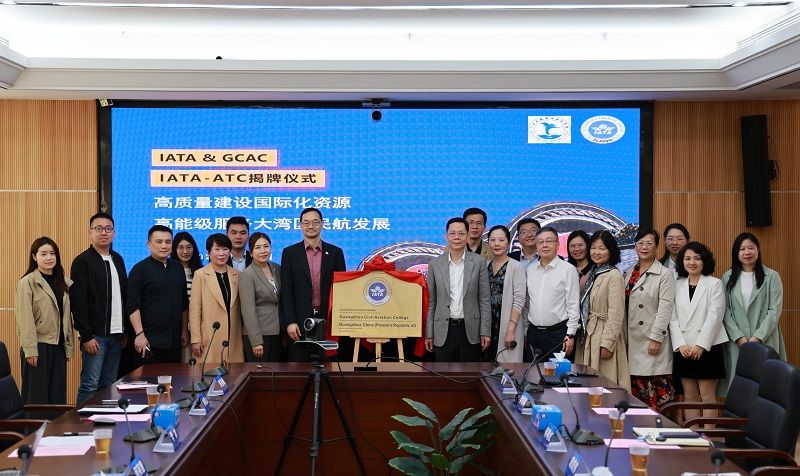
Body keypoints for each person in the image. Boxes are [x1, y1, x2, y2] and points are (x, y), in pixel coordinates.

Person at [71, 212, 128, 404]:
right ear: (90, 232)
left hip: (116, 335)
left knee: (109, 384)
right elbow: (78, 302)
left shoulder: (118, 259)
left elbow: (123, 296)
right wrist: (86, 335)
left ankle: (105, 420)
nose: (104, 232)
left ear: (114, 233)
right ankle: (81, 421)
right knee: (90, 385)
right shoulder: (82, 261)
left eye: (108, 229)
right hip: (95, 336)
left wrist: (124, 330)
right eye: (98, 229)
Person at [669, 242, 727, 424]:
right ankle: (692, 434)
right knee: (689, 396)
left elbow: (715, 316)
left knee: (707, 396)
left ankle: (709, 435)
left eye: (697, 258)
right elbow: (672, 317)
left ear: (704, 261)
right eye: (687, 259)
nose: (692, 262)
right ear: (682, 262)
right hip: (684, 348)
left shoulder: (715, 284)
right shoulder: (677, 284)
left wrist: (701, 345)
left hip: (708, 347)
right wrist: (681, 344)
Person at [720, 232, 786, 394]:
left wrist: (757, 338)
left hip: (765, 338)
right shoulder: (727, 277)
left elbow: (774, 310)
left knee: (767, 387)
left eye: (751, 248)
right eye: (742, 249)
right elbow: (725, 310)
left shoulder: (772, 276)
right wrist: (740, 338)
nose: (747, 252)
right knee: (739, 389)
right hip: (737, 341)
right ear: (736, 253)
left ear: (758, 250)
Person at [280, 207, 346, 362]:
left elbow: (341, 290)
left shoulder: (335, 253)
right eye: (306, 222)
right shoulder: (289, 253)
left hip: (327, 321)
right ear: (300, 225)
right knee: (299, 368)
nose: (311, 226)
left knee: (327, 366)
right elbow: (287, 292)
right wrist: (290, 322)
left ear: (322, 224)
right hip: (299, 322)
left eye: (315, 222)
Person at [14, 237, 74, 404]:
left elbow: (67, 318)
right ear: (34, 257)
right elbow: (25, 320)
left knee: (57, 399)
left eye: (52, 253)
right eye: (43, 254)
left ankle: (54, 424)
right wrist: (30, 350)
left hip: (58, 347)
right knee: (36, 399)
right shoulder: (27, 282)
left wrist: (68, 347)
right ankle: (33, 424)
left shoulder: (64, 282)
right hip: (38, 347)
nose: (49, 258)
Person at [425, 217, 491, 362]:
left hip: (470, 330)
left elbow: (484, 300)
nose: (457, 237)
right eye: (452, 233)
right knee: (443, 374)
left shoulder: (478, 262)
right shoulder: (435, 264)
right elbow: (431, 303)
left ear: (467, 236)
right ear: (446, 236)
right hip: (443, 329)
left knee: (470, 373)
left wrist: (485, 332)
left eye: (461, 233)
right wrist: (429, 333)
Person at [624, 228, 676, 409]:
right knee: (635, 394)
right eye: (640, 243)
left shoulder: (664, 274)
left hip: (652, 340)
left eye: (649, 243)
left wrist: (656, 338)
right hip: (632, 340)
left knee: (654, 392)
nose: (644, 247)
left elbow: (665, 309)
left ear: (657, 247)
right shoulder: (628, 272)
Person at [575, 230, 630, 391]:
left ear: (610, 250)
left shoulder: (614, 275)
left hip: (603, 333)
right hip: (589, 334)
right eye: (593, 248)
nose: (596, 252)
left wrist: (608, 343)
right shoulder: (594, 272)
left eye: (602, 248)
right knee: (588, 382)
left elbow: (616, 313)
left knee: (605, 383)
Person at [127, 225, 189, 366]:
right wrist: (139, 334)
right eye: (159, 241)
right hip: (149, 341)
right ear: (149, 244)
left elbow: (184, 303)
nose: (164, 246)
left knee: (173, 378)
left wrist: (184, 331)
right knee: (148, 379)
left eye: (168, 242)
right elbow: (132, 305)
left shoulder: (178, 267)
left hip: (174, 342)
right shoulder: (139, 269)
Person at [525, 227, 580, 361]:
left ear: (557, 244)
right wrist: (525, 331)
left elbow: (573, 305)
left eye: (549, 241)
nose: (545, 245)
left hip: (558, 335)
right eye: (540, 242)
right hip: (533, 333)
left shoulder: (568, 269)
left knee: (557, 373)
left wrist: (570, 335)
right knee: (533, 372)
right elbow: (527, 303)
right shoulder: (530, 269)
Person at [189, 233, 245, 364]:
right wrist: (195, 339)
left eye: (225, 249)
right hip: (210, 336)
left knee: (234, 374)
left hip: (233, 337)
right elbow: (195, 309)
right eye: (217, 249)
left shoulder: (237, 274)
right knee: (209, 373)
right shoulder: (200, 275)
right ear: (208, 252)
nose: (221, 253)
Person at [484, 225, 527, 363]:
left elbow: (519, 299)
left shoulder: (516, 266)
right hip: (487, 326)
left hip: (507, 324)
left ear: (508, 243)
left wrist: (511, 330)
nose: (497, 244)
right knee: (485, 367)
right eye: (493, 240)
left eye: (501, 240)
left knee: (507, 369)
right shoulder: (485, 266)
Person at [239, 232, 282, 362]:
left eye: (266, 246)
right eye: (258, 247)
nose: (263, 251)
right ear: (251, 253)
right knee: (260, 372)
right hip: (259, 336)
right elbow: (248, 311)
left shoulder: (277, 268)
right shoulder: (247, 274)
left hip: (277, 332)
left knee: (276, 372)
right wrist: (256, 341)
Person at [171, 231, 203, 362]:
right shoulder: (170, 271)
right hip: (176, 323)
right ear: (174, 249)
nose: (185, 251)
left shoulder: (201, 272)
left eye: (189, 247)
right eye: (181, 247)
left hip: (198, 323)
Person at [566, 230, 592, 294]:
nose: (577, 249)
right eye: (573, 246)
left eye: (580, 245)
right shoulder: (566, 270)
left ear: (588, 246)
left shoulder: (595, 270)